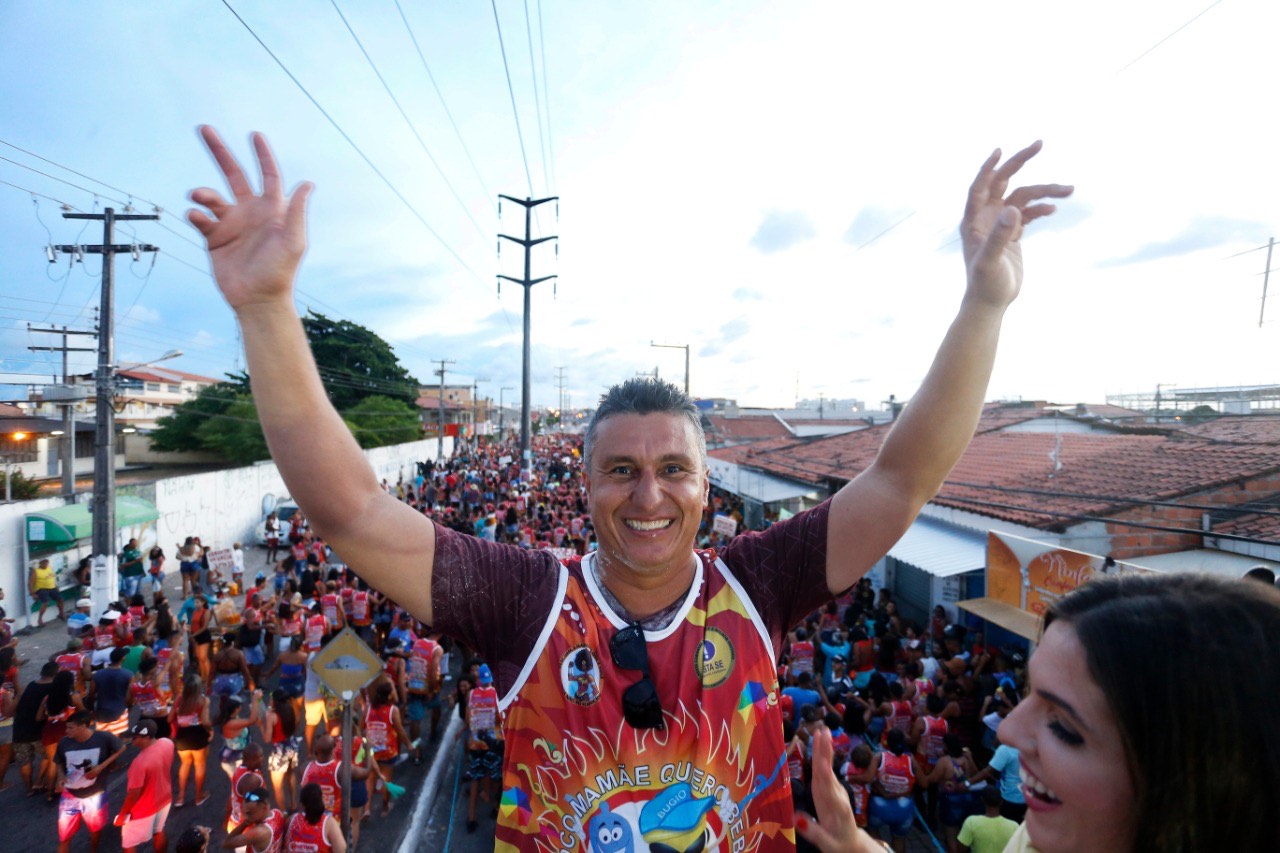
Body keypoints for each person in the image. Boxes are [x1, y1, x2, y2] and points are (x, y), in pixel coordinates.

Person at [188, 128, 1070, 848]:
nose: (649, 494)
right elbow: (352, 509)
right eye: (622, 470)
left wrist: (984, 305)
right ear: (586, 485)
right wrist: (267, 309)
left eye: (673, 468)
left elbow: (904, 475)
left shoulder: (762, 584)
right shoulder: (526, 598)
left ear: (707, 491)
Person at [54, 710, 125, 853]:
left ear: (83, 727)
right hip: (69, 795)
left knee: (95, 829)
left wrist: (101, 767)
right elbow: (58, 762)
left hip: (95, 795)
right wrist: (60, 777)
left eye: (70, 727)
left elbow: (122, 747)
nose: (66, 731)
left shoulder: (103, 738)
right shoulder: (64, 742)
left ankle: (93, 850)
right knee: (64, 836)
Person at [115, 718, 175, 853]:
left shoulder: (139, 763)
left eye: (135, 737)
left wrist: (123, 815)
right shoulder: (167, 743)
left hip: (144, 809)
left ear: (147, 737)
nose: (132, 740)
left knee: (128, 843)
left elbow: (134, 793)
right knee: (159, 831)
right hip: (165, 800)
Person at [171, 674, 213, 807]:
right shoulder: (203, 701)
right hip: (198, 735)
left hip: (182, 736)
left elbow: (169, 718)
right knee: (199, 765)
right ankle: (198, 797)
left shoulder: (179, 699)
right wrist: (211, 730)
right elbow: (205, 721)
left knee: (185, 764)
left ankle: (180, 797)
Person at [284, 781, 347, 853]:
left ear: (302, 805)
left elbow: (284, 845)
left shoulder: (291, 820)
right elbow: (341, 849)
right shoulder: (329, 824)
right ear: (321, 800)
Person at [222, 786, 287, 852]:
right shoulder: (277, 812)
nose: (245, 817)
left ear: (264, 807)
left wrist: (244, 824)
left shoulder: (258, 832)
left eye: (250, 813)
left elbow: (226, 843)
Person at [956, 786, 1016, 853]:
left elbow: (961, 850)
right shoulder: (1014, 826)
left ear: (982, 800)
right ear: (1001, 802)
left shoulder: (971, 822)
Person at [29, 558, 66, 626]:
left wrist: (56, 586)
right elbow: (31, 582)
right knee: (46, 602)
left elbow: (52, 578)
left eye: (47, 563)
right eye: (44, 563)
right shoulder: (36, 571)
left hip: (52, 587)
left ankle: (61, 613)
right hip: (41, 589)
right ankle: (40, 619)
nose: (46, 564)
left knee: (60, 600)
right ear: (40, 564)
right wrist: (32, 593)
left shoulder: (49, 568)